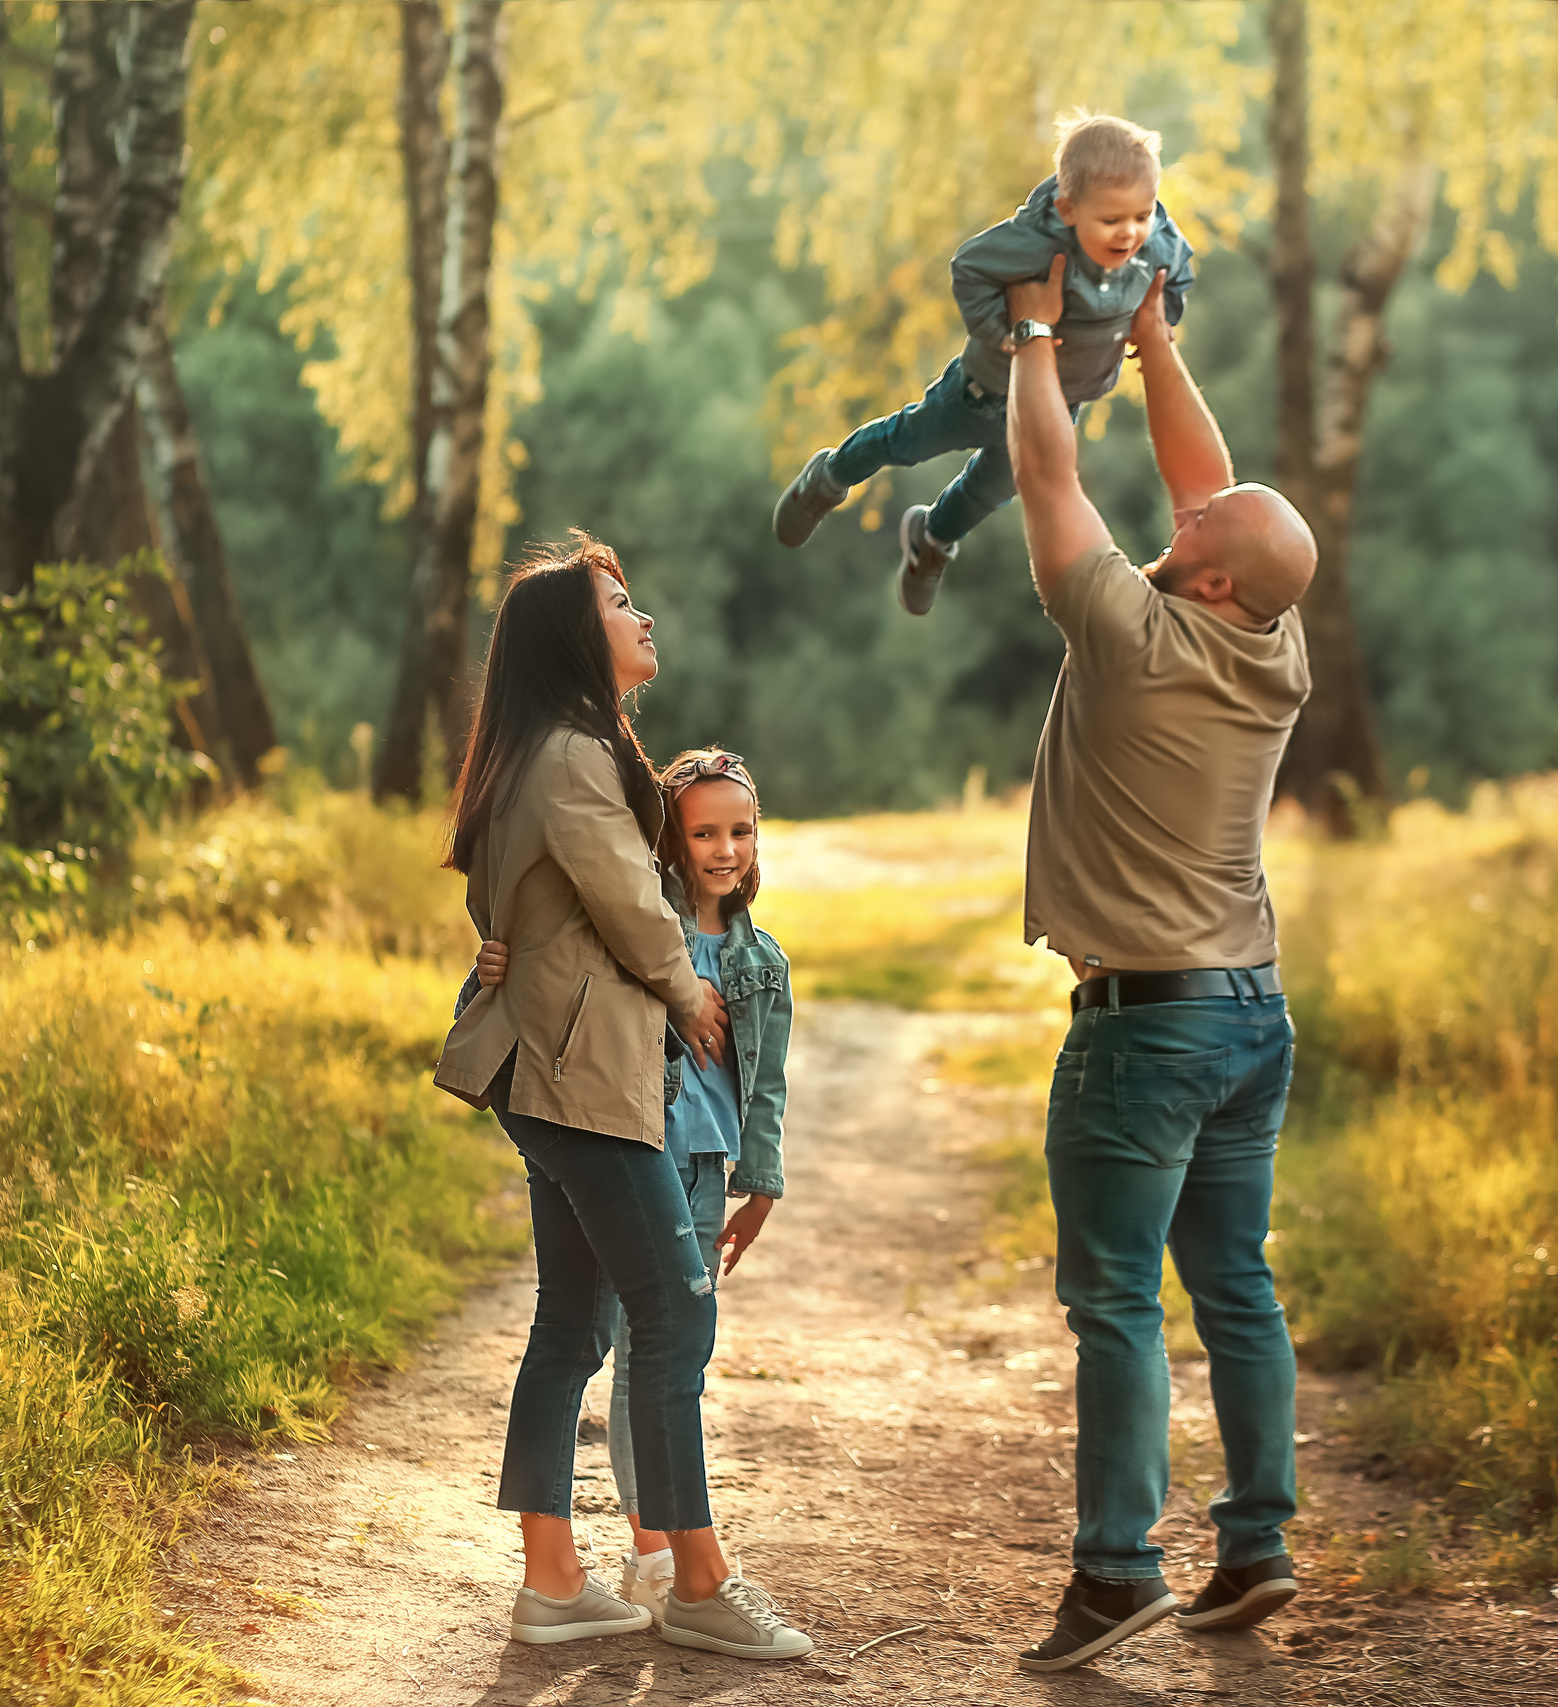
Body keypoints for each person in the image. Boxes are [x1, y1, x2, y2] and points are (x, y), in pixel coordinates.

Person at [995, 257, 1320, 1674]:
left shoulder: (1128, 636)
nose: (1186, 510)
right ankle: (1255, 1542)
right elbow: (1221, 488)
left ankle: (1116, 1566)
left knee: (1119, 1297)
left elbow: (1043, 468)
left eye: (1200, 524)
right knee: (1235, 1281)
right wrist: (1151, 342)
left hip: (1149, 1029)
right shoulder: (1274, 643)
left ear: (1206, 570)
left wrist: (1031, 334)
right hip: (1251, 1013)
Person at [432, 536, 813, 1663]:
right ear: (572, 634)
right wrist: (689, 987)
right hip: (586, 1085)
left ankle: (554, 1579)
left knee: (572, 1326)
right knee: (676, 1313)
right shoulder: (571, 752)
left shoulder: (545, 750)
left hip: (553, 1078)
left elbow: (524, 905)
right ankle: (695, 1580)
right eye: (619, 603)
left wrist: (513, 954)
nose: (643, 618)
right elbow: (626, 901)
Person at [475, 748, 793, 1621]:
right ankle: (657, 1551)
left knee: (663, 1354)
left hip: (700, 1168)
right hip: (626, 1147)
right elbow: (552, 972)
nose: (724, 848)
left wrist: (759, 1178)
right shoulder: (635, 931)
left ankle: (651, 1546)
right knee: (617, 1336)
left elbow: (766, 1083)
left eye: (740, 830)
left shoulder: (763, 960)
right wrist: (492, 965)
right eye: (703, 832)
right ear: (669, 840)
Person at [771, 111, 1198, 618]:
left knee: (993, 489)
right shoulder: (1035, 242)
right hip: (986, 388)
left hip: (1063, 400)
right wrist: (999, 334)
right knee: (905, 441)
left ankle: (931, 540)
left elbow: (1181, 269)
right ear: (1066, 210)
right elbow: (968, 267)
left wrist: (1159, 319)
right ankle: (829, 477)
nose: (1130, 233)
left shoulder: (1155, 241)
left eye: (1142, 216)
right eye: (1111, 221)